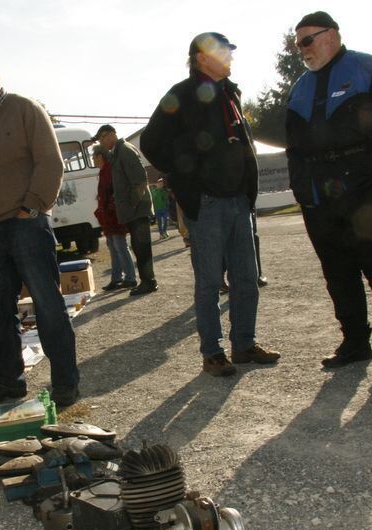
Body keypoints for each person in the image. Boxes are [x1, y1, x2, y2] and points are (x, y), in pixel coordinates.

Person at [284, 12, 372, 371]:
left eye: (307, 40)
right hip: (321, 201)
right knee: (338, 276)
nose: (302, 49)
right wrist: (303, 192)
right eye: (298, 44)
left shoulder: (371, 69)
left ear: (332, 36)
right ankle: (356, 343)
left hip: (367, 192)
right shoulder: (299, 89)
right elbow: (293, 149)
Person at [141, 32, 281, 377]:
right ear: (201, 57)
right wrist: (187, 174)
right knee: (208, 281)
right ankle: (213, 353)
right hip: (206, 203)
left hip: (238, 200)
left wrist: (248, 190)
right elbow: (152, 143)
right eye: (223, 51)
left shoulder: (230, 92)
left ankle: (244, 345)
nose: (230, 56)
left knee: (247, 277)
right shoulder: (182, 94)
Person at [0, 57, 80, 407]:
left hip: (26, 224)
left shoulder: (25, 109)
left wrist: (31, 207)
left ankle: (66, 383)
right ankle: (9, 381)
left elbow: (50, 161)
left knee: (47, 304)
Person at [93, 125, 158, 295]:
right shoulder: (117, 152)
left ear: (111, 135)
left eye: (102, 138)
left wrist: (131, 204)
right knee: (138, 247)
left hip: (137, 209)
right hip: (132, 210)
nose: (101, 142)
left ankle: (148, 282)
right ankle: (147, 281)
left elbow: (140, 181)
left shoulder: (125, 150)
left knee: (142, 247)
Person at [92, 145, 137, 290]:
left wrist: (109, 208)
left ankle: (130, 278)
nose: (93, 159)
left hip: (114, 216)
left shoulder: (109, 171)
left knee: (120, 247)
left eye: (94, 156)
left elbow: (114, 192)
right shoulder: (103, 171)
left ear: (100, 156)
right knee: (113, 247)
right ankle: (117, 278)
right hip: (108, 216)